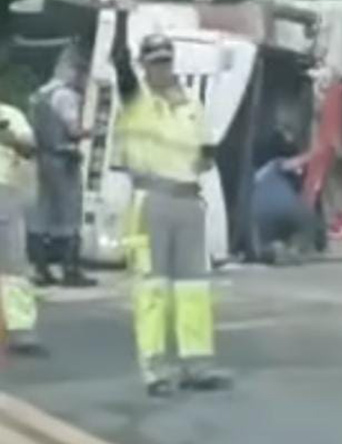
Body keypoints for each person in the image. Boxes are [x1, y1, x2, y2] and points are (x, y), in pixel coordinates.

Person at [111, 21, 231, 397]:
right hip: (151, 201)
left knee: (193, 289)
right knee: (152, 289)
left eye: (166, 60)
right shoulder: (137, 100)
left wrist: (202, 159)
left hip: (188, 199)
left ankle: (196, 365)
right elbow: (119, 66)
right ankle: (156, 369)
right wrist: (119, 20)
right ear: (144, 66)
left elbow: (207, 150)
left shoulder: (191, 104)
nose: (162, 68)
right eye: (154, 62)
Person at [28, 46, 95, 288]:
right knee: (70, 214)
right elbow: (73, 130)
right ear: (75, 71)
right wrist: (94, 131)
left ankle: (41, 269)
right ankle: (71, 269)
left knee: (44, 213)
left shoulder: (42, 93)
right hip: (64, 159)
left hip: (43, 158)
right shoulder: (66, 96)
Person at [0, 102, 46, 356]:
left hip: (4, 191)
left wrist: (8, 138)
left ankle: (21, 330)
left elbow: (30, 148)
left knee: (13, 266)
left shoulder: (8, 114)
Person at [251, 155, 320, 266]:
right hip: (291, 212)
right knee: (305, 218)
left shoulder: (254, 177)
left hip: (263, 218)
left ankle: (272, 248)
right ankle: (298, 248)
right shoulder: (277, 165)